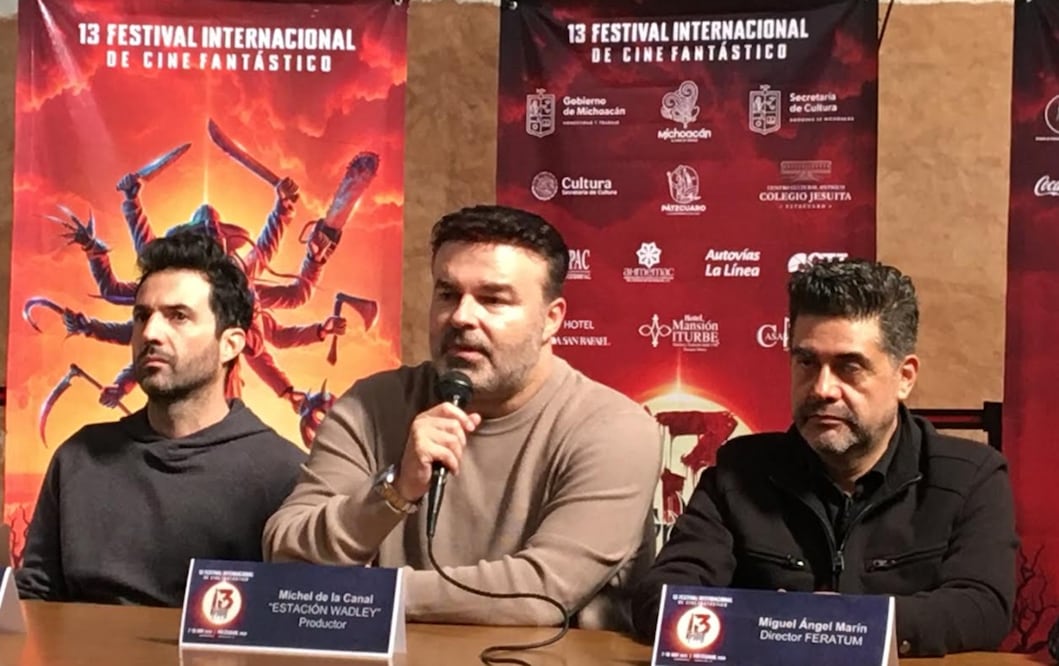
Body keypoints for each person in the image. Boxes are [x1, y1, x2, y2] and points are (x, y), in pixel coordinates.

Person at [264, 204, 661, 629]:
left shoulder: (614, 428)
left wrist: (355, 599)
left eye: (492, 299)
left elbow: (540, 591)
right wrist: (394, 492)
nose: (461, 317)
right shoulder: (371, 404)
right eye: (447, 293)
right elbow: (286, 553)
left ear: (551, 320)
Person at [631, 259, 1017, 657]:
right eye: (806, 363)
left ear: (905, 377)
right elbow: (660, 598)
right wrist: (793, 622)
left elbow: (981, 607)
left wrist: (845, 625)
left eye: (849, 367)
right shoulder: (739, 472)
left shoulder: (971, 475)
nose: (822, 388)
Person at [17, 232, 306, 606]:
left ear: (231, 344)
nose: (150, 333)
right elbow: (34, 604)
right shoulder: (79, 458)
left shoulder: (285, 475)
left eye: (178, 316)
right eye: (142, 316)